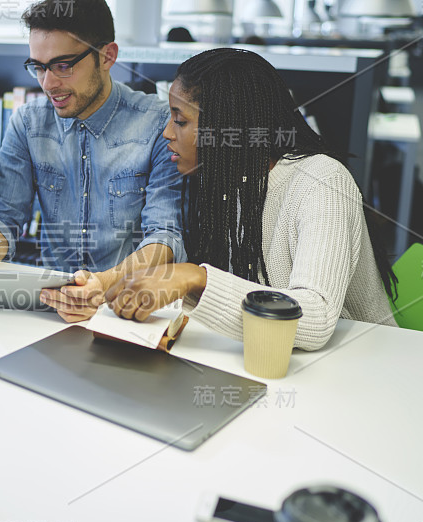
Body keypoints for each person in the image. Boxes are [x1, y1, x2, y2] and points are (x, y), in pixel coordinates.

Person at [106, 48, 397, 350]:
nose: (167, 132)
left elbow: (315, 319)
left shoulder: (321, 181)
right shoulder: (230, 183)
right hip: (277, 358)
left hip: (364, 363)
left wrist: (196, 278)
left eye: (180, 121)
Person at [0, 0, 185, 322]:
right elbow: (6, 211)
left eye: (63, 65)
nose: (48, 84)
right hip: (48, 306)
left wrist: (102, 284)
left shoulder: (159, 123)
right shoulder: (28, 123)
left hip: (125, 307)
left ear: (107, 56)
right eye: (38, 66)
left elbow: (165, 235)